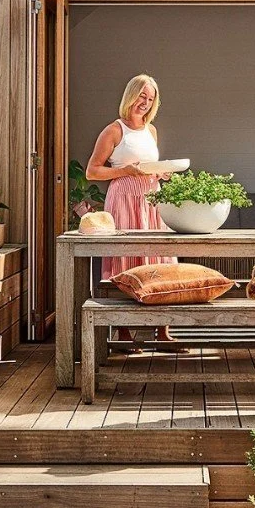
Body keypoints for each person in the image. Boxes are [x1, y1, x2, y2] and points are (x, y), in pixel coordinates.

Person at [86, 74, 176, 343]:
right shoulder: (114, 130)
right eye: (141, 96)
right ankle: (123, 331)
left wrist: (162, 173)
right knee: (125, 260)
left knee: (160, 260)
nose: (145, 103)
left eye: (150, 99)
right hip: (123, 200)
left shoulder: (151, 131)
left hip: (151, 201)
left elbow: (149, 166)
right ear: (130, 95)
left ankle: (163, 331)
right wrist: (124, 170)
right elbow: (92, 171)